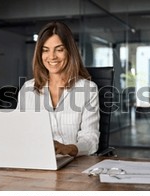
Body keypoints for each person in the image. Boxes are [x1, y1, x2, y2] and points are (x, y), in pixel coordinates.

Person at [17, 21, 100, 157]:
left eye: (59, 49)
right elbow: (18, 132)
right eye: (45, 50)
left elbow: (91, 138)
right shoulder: (28, 89)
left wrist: (70, 148)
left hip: (73, 165)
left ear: (69, 51)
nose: (52, 56)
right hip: (35, 162)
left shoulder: (88, 89)